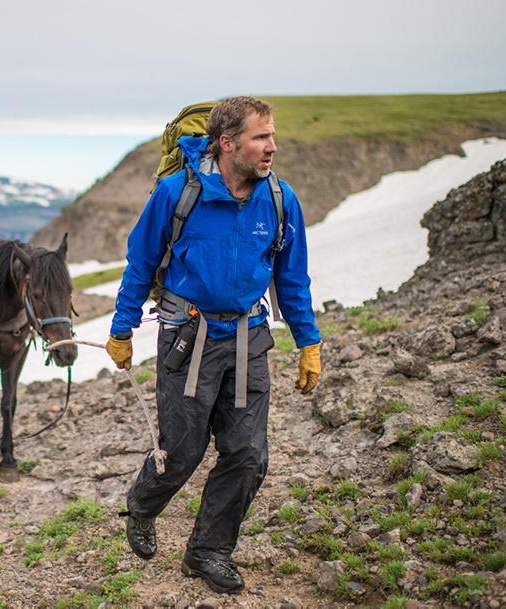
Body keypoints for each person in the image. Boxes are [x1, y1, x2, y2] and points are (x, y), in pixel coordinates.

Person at [104, 96, 322, 594]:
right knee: (182, 450)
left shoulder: (281, 200)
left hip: (249, 339)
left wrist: (308, 341)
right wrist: (122, 328)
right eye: (260, 138)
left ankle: (207, 552)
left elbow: (292, 279)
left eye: (272, 136)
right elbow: (141, 263)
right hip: (188, 337)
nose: (272, 147)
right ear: (227, 144)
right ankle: (141, 506)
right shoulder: (176, 193)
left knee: (248, 454)